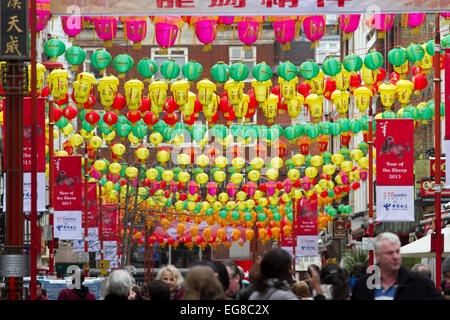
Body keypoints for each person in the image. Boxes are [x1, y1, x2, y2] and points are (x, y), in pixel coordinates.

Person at [351, 232, 446, 300]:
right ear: (377, 256)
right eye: (389, 253)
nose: (395, 257)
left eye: (397, 251)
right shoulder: (362, 286)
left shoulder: (419, 284)